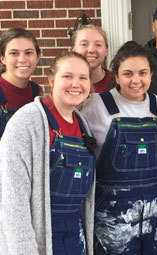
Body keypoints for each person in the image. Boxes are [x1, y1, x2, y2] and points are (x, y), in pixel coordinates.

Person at [0, 51, 96, 255]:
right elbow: (13, 202)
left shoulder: (82, 124)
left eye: (83, 78)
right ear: (51, 80)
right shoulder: (26, 123)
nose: (75, 84)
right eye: (67, 76)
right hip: (39, 236)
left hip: (75, 236)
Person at [81, 41, 157, 254]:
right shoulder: (95, 104)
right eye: (127, 73)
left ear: (151, 75)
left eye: (143, 73)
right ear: (116, 76)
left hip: (155, 211)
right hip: (113, 215)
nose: (136, 80)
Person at [0, 27, 41, 138]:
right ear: (3, 58)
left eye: (28, 52)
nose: (22, 59)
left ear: (37, 57)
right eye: (14, 53)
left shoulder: (36, 92)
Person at [71, 24, 110, 93]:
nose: (91, 50)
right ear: (73, 50)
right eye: (84, 44)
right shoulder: (66, 84)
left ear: (106, 50)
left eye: (98, 45)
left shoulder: (118, 83)